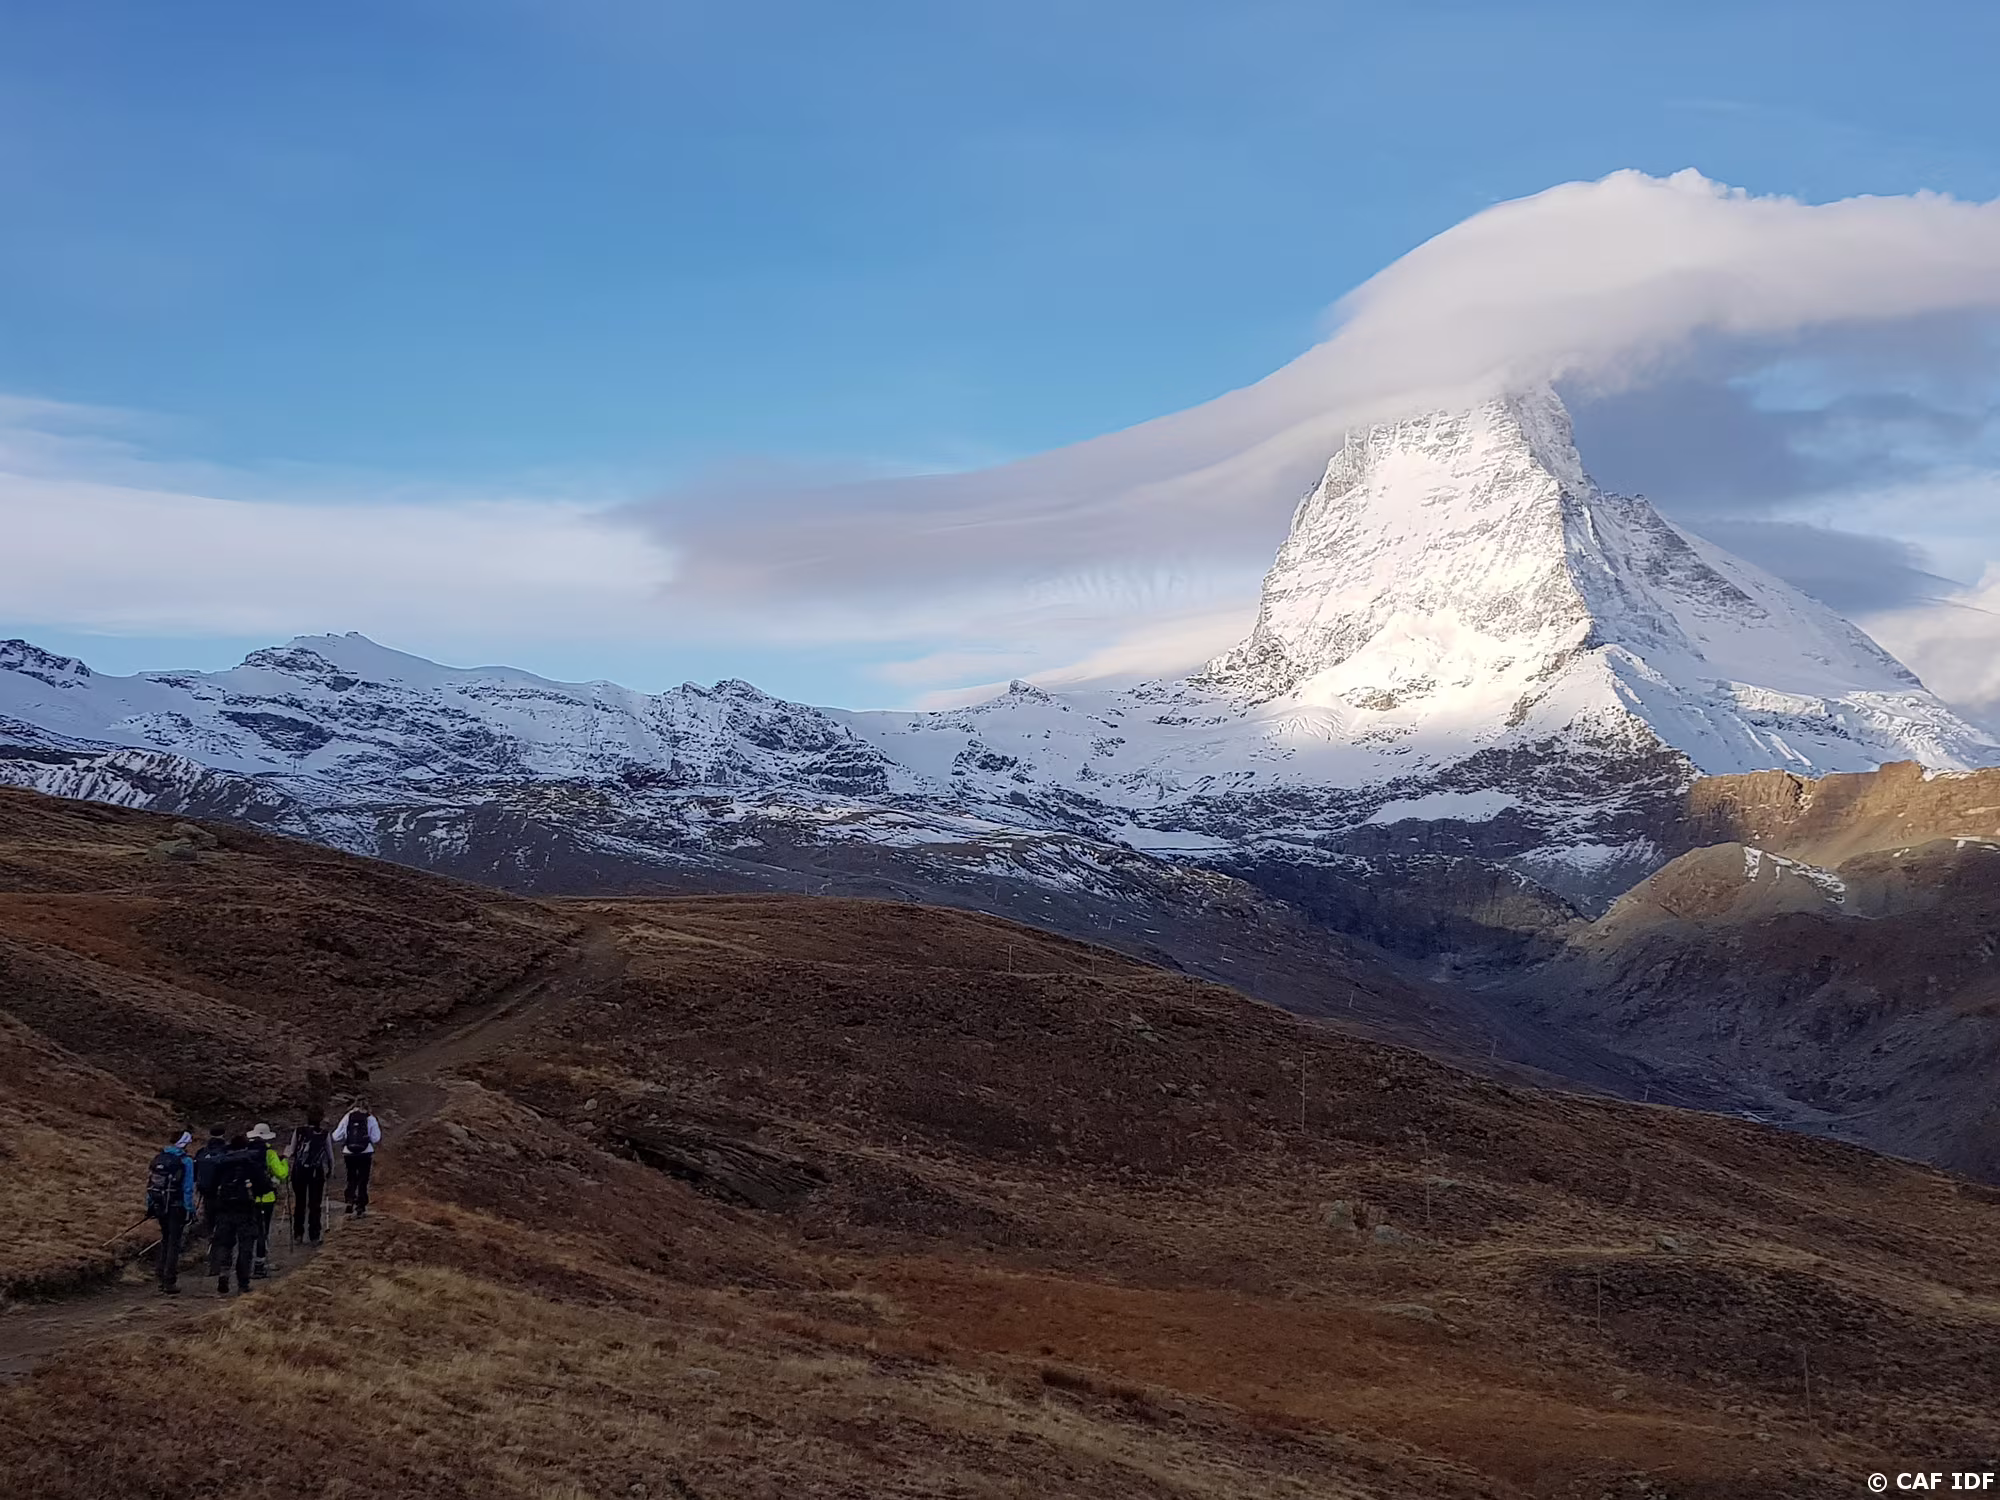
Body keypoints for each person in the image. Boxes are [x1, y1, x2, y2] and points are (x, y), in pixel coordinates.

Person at [196, 1131, 271, 1295]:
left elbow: (210, 1186)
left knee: (225, 1243)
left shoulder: (221, 1163)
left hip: (224, 1208)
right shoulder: (250, 1162)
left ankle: (223, 1272)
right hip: (246, 1209)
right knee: (245, 1246)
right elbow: (264, 1186)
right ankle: (243, 1283)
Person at [143, 1130, 198, 1296]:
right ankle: (169, 1280)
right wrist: (190, 1209)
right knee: (174, 1242)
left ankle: (160, 1275)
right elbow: (188, 1188)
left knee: (166, 1239)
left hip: (160, 1205)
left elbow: (151, 1183)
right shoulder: (186, 1161)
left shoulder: (159, 1158)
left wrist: (150, 1205)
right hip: (176, 1206)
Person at [247, 1123, 290, 1277]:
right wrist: (285, 1160)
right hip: (266, 1198)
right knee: (262, 1232)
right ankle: (260, 1265)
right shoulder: (269, 1153)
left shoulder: (245, 1152)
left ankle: (245, 1265)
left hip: (248, 1197)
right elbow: (282, 1174)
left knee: (249, 1231)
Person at [288, 1108, 334, 1246]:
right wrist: (330, 1171)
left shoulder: (299, 1131)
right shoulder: (324, 1134)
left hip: (299, 1171)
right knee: (315, 1204)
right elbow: (330, 1156)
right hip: (316, 1172)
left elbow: (292, 1151)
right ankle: (314, 1235)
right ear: (321, 1119)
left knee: (300, 1202)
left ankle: (298, 1234)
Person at [333, 1100, 381, 1218]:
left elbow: (336, 1136)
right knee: (363, 1180)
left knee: (351, 1178)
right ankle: (361, 1206)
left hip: (349, 1152)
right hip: (365, 1152)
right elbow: (376, 1138)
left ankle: (350, 1200)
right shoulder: (370, 1118)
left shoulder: (348, 1117)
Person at [192, 1123, 229, 1226]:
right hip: (222, 1191)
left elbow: (195, 1171)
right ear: (224, 1134)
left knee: (209, 1216)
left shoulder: (202, 1151)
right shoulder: (226, 1150)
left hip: (204, 1190)